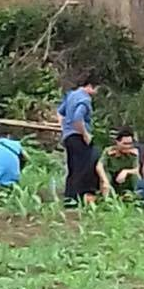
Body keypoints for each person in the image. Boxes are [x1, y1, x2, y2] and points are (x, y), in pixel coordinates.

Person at [57, 74, 106, 204]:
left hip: (68, 137)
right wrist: (85, 134)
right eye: (96, 90)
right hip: (78, 137)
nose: (95, 93)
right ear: (90, 86)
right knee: (82, 168)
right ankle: (77, 198)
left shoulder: (71, 95)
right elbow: (78, 118)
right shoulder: (85, 100)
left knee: (72, 168)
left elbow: (60, 112)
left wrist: (65, 127)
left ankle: (69, 197)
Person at [102, 128, 140, 196]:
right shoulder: (109, 151)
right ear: (117, 142)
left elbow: (137, 169)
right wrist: (105, 181)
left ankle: (136, 197)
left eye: (130, 143)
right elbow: (99, 166)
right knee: (105, 175)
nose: (128, 146)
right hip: (112, 180)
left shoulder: (134, 153)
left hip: (126, 180)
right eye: (125, 144)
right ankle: (107, 200)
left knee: (135, 176)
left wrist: (126, 171)